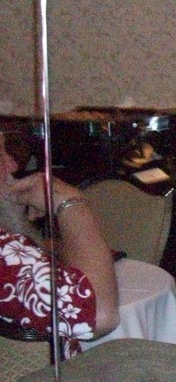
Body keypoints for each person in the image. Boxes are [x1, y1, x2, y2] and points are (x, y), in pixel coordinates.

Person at [1, 131, 120, 354]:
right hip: (50, 377)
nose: (13, 165)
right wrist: (68, 201)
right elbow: (99, 315)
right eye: (1, 155)